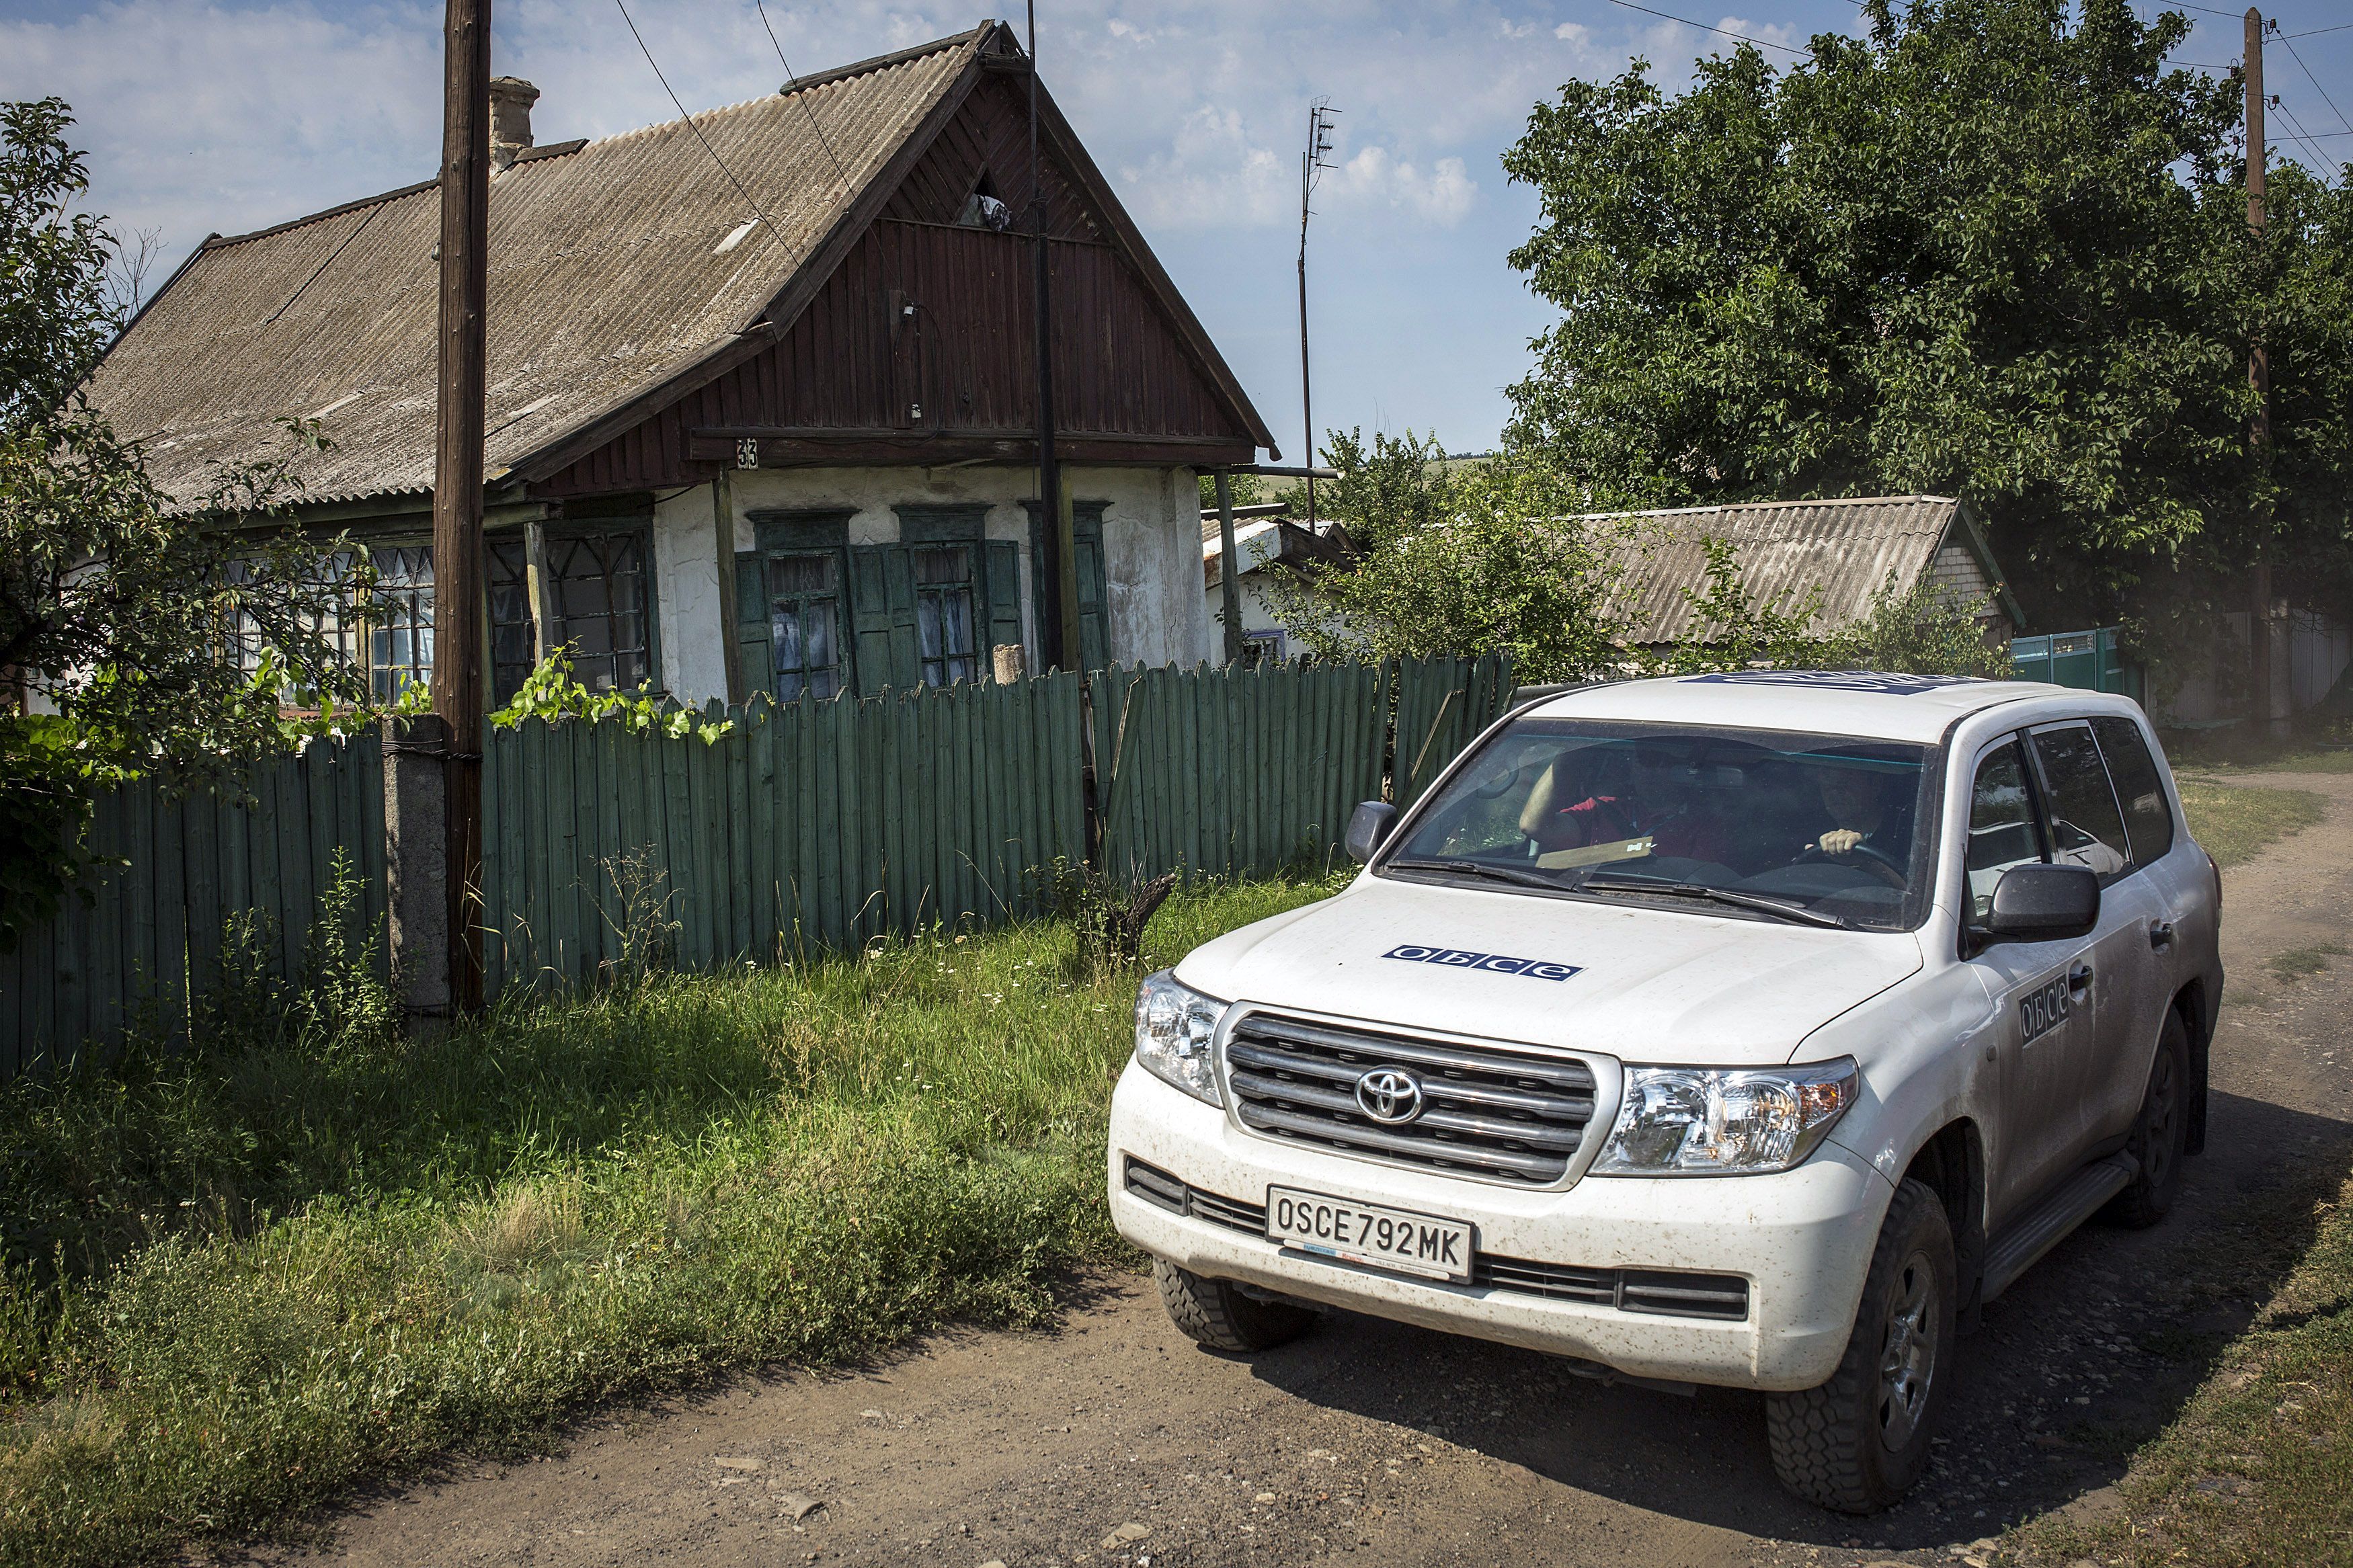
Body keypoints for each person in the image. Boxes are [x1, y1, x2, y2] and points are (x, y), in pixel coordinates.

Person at [1814, 766, 1907, 862]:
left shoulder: (1906, 836)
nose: (1835, 791)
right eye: (1827, 782)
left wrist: (1862, 862)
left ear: (1876, 784)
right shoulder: (1812, 830)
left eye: (1846, 781)